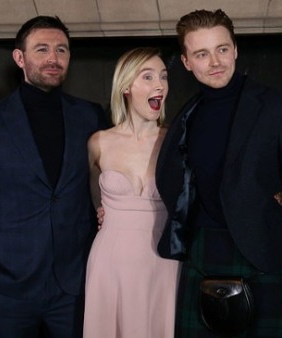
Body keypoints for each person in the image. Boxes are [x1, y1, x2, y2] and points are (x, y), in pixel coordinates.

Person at [155, 9, 282, 337]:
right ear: (187, 62)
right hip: (200, 256)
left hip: (262, 258)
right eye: (201, 54)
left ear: (235, 49)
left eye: (221, 49)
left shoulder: (279, 107)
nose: (214, 61)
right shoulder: (185, 114)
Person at [0, 15, 107, 338]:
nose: (53, 58)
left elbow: (102, 187)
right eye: (42, 49)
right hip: (7, 290)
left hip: (75, 286)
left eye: (61, 50)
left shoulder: (90, 115)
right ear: (19, 58)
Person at [83, 47, 179, 338]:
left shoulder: (175, 140)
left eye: (163, 77)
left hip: (164, 263)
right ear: (126, 86)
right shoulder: (98, 142)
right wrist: (102, 213)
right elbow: (88, 196)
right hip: (110, 263)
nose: (159, 85)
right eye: (148, 77)